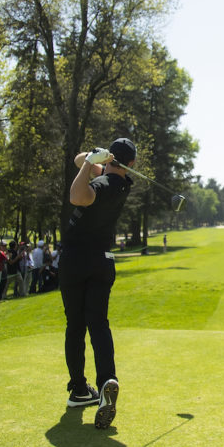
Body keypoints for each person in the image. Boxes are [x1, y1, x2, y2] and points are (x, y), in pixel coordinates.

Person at [59, 138, 136, 429]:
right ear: (132, 165)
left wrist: (92, 161)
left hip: (76, 261)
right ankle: (106, 381)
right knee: (98, 324)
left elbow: (78, 197)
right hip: (101, 262)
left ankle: (79, 389)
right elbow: (80, 161)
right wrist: (93, 158)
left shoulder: (104, 184)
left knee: (75, 326)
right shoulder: (120, 181)